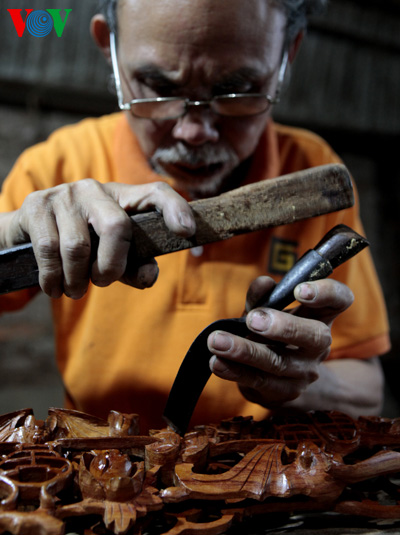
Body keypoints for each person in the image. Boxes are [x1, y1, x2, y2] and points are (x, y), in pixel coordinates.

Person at [0, 0, 390, 433]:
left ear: (288, 51)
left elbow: (367, 389)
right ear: (109, 46)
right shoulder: (58, 165)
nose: (194, 131)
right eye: (156, 85)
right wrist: (10, 235)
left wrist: (295, 381)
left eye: (237, 89)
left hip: (262, 469)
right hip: (102, 464)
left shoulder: (312, 175)